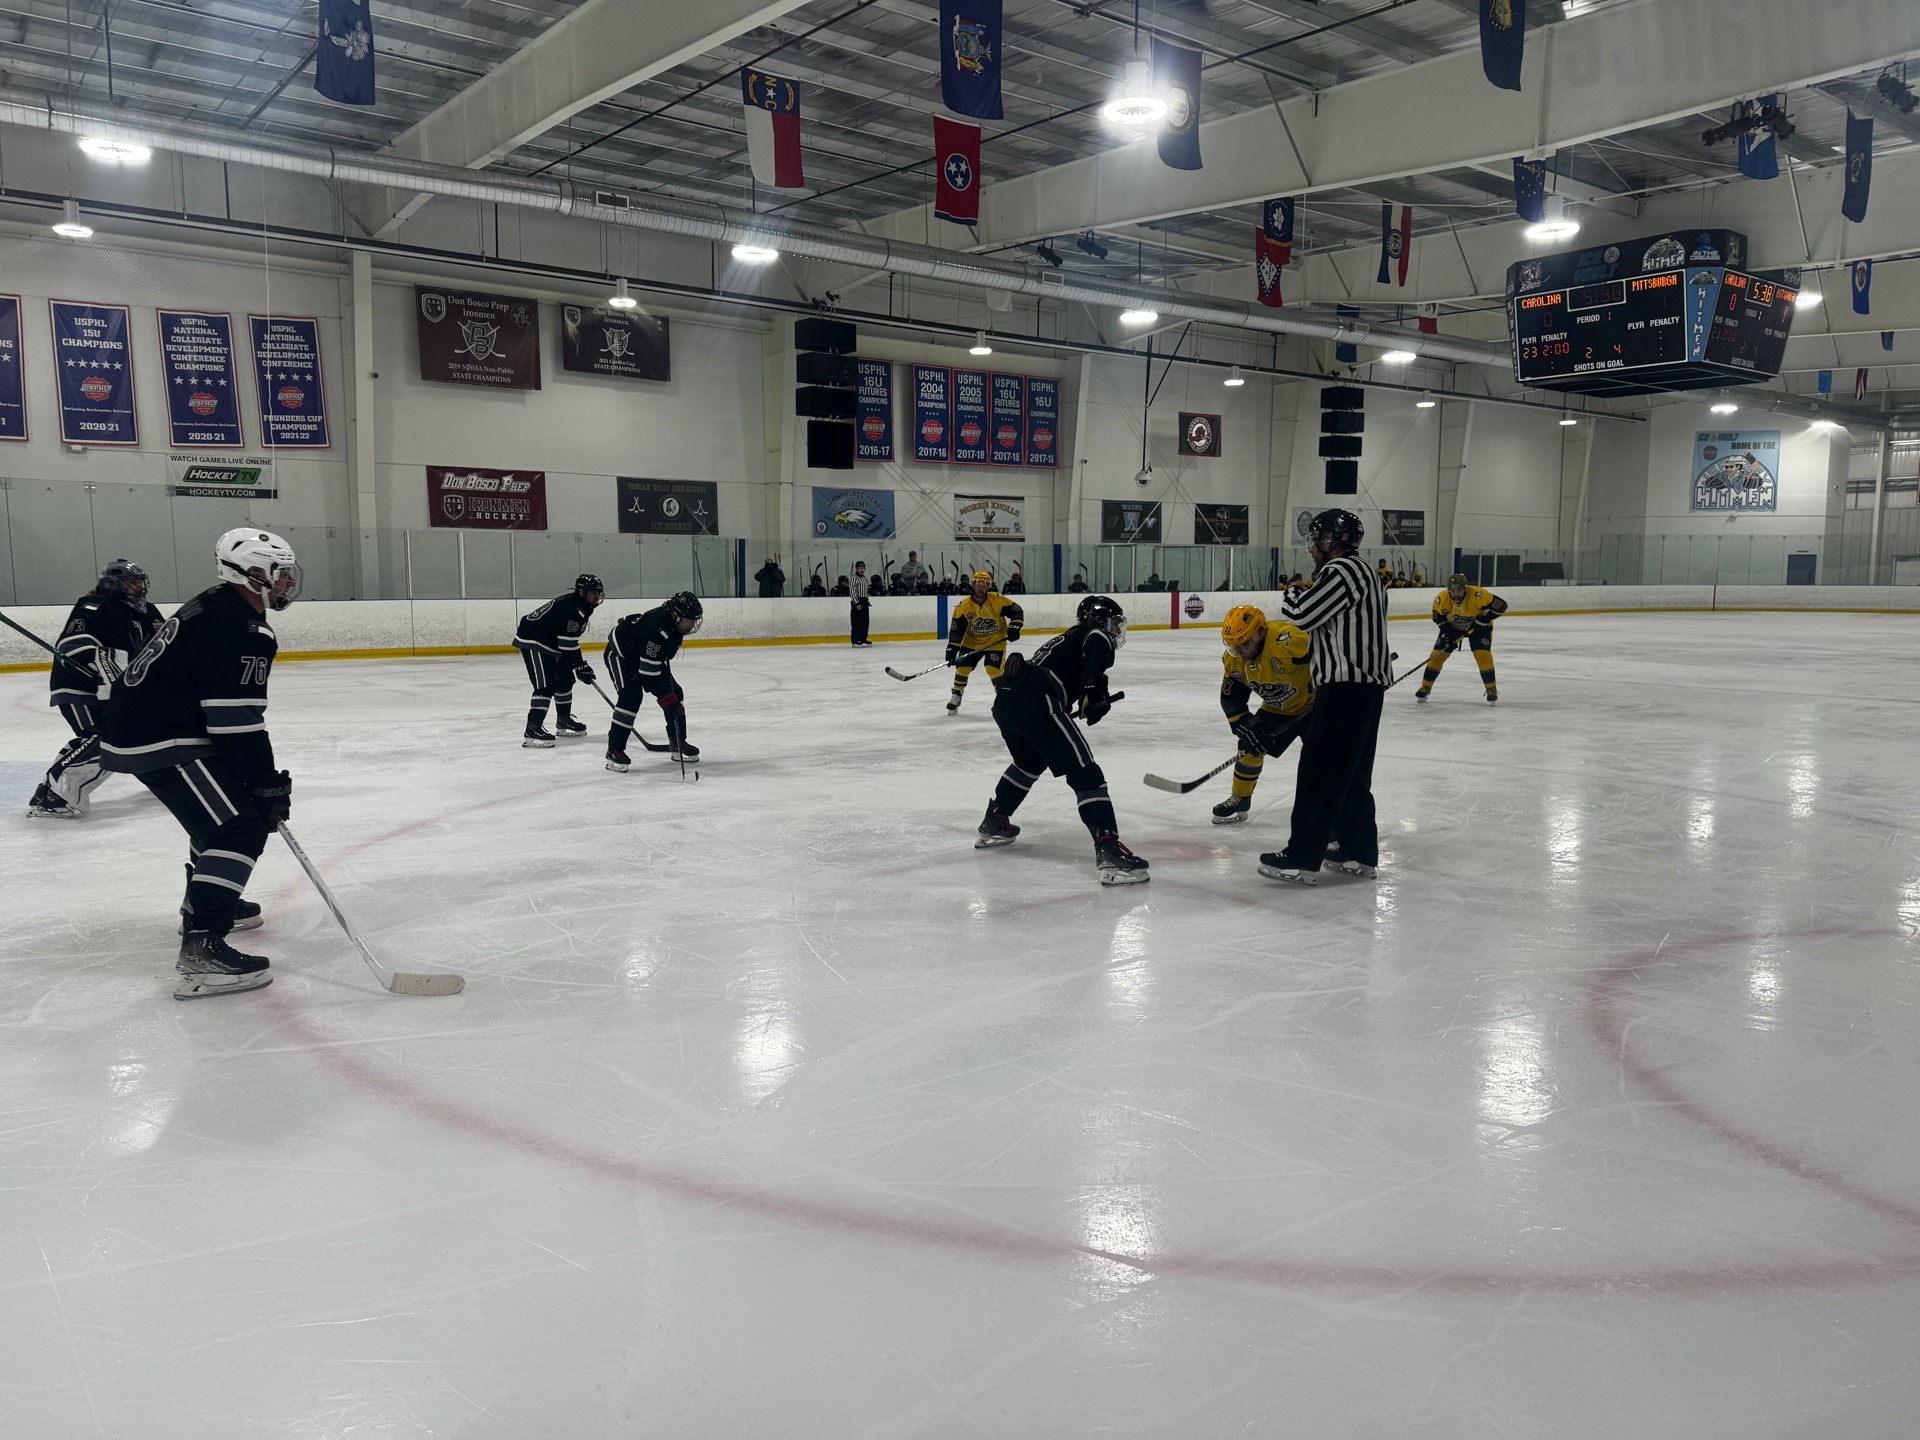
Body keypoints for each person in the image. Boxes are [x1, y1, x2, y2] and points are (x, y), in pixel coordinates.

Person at [99, 529, 300, 998]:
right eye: (279, 572)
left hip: (152, 724)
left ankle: (209, 901)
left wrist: (257, 781)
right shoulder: (242, 629)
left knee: (222, 815)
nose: (288, 582)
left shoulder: (212, 604)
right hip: (161, 734)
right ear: (250, 574)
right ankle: (203, 945)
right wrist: (265, 783)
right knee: (239, 828)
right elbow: (235, 721)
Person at [974, 595, 1148, 886]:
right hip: (1037, 701)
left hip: (1007, 700)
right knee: (1086, 773)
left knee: (1029, 762)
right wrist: (1093, 689)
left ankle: (995, 820)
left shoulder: (1069, 638)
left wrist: (1091, 698)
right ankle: (1109, 850)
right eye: (1114, 622)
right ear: (1099, 620)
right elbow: (1091, 670)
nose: (1116, 629)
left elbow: (1072, 679)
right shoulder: (1094, 634)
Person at [1258, 508, 1391, 886]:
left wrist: (1292, 590)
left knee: (1319, 773)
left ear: (1331, 541)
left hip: (1345, 688)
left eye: (1315, 540)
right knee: (1350, 776)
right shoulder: (1368, 573)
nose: (1312, 548)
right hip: (1364, 689)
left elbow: (1302, 615)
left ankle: (1301, 858)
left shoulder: (1341, 571)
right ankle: (1358, 852)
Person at [28, 558, 166, 819]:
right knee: (108, 736)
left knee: (120, 735)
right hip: (80, 687)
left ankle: (49, 791)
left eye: (139, 581)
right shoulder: (93, 606)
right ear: (112, 584)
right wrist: (99, 660)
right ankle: (57, 794)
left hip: (121, 690)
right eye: (131, 582)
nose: (138, 586)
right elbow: (72, 644)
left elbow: (162, 646)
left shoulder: (147, 610)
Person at [1212, 604, 1314, 826]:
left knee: (1321, 760)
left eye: (1244, 644)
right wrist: (1246, 725)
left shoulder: (1289, 642)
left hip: (1315, 707)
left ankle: (1331, 817)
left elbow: (1328, 655)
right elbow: (1232, 699)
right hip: (1277, 709)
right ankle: (1241, 797)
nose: (1238, 651)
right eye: (1233, 646)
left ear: (1259, 633)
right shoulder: (1234, 660)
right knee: (1249, 745)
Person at [604, 591, 704, 769]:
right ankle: (614, 749)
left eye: (694, 619)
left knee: (676, 693)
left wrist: (670, 698)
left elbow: (653, 663)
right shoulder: (658, 629)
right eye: (689, 619)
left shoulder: (675, 624)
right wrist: (668, 700)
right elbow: (647, 674)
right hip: (622, 656)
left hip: (643, 656)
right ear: (676, 615)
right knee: (631, 697)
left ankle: (677, 741)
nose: (692, 624)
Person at [513, 574, 603, 747]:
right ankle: (533, 728)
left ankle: (563, 720)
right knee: (546, 685)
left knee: (566, 680)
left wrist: (579, 666)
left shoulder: (583, 606)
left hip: (552, 643)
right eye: (591, 594)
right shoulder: (571, 607)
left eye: (597, 594)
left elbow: (567, 640)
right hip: (534, 641)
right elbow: (567, 643)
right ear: (581, 592)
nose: (595, 597)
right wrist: (580, 665)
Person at [1417, 573, 1508, 703]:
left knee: (1483, 655)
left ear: (1465, 588)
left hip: (1479, 629)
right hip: (1453, 628)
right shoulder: (1441, 599)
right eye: (1452, 590)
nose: (1455, 594)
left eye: (1459, 590)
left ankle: (1491, 688)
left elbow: (1502, 605)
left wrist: (1482, 620)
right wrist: (1448, 636)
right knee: (1436, 655)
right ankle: (1426, 686)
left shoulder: (1478, 595)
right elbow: (1438, 618)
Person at [945, 570, 1023, 714]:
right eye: (978, 584)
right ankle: (957, 695)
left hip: (995, 641)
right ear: (973, 585)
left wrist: (1015, 626)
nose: (980, 588)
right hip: (971, 642)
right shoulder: (963, 606)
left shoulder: (997, 600)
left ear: (988, 587)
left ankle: (1003, 699)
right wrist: (952, 648)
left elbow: (1016, 610)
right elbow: (957, 630)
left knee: (993, 669)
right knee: (962, 668)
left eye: (984, 585)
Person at [849, 561, 872, 647]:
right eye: (859, 568)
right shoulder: (854, 578)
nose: (861, 570)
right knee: (856, 622)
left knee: (865, 621)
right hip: (857, 601)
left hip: (864, 601)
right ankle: (855, 640)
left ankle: (863, 638)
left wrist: (866, 600)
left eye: (863, 568)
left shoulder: (864, 578)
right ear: (856, 569)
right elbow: (852, 592)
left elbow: (865, 591)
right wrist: (857, 603)